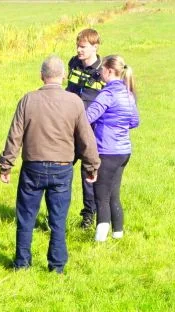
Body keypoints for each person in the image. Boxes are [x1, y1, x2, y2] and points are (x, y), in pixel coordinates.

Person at [0, 56, 99, 274]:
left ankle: (22, 264)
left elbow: (15, 136)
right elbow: (86, 138)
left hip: (32, 167)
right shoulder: (74, 102)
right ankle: (57, 266)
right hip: (62, 167)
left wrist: (6, 164)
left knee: (26, 218)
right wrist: (92, 166)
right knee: (58, 220)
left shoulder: (28, 100)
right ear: (63, 76)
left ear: (41, 76)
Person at [84, 55, 139, 243]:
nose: (100, 73)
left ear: (108, 71)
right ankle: (118, 234)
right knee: (114, 194)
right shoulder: (128, 93)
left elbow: (88, 117)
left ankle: (100, 240)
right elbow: (134, 121)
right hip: (123, 152)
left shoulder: (107, 94)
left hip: (106, 151)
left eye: (102, 70)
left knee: (101, 196)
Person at [63, 28, 106, 230]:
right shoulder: (73, 63)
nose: (78, 50)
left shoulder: (103, 71)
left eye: (83, 47)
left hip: (91, 131)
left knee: (88, 174)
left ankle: (89, 216)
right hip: (69, 128)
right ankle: (57, 212)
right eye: (77, 46)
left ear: (95, 47)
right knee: (61, 169)